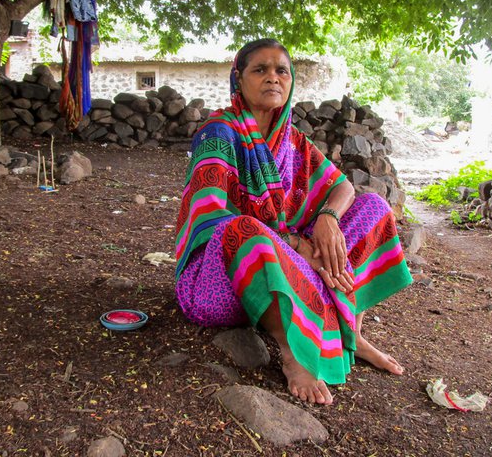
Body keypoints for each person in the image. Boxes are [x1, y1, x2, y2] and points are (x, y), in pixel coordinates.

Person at [175, 39, 412, 405]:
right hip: (222, 280)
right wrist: (299, 245)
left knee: (374, 208)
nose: (273, 78)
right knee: (242, 229)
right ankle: (291, 350)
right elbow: (210, 216)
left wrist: (328, 219)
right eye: (260, 70)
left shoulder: (292, 141)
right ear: (239, 79)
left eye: (281, 70)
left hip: (287, 263)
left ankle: (352, 329)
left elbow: (343, 187)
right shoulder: (218, 134)